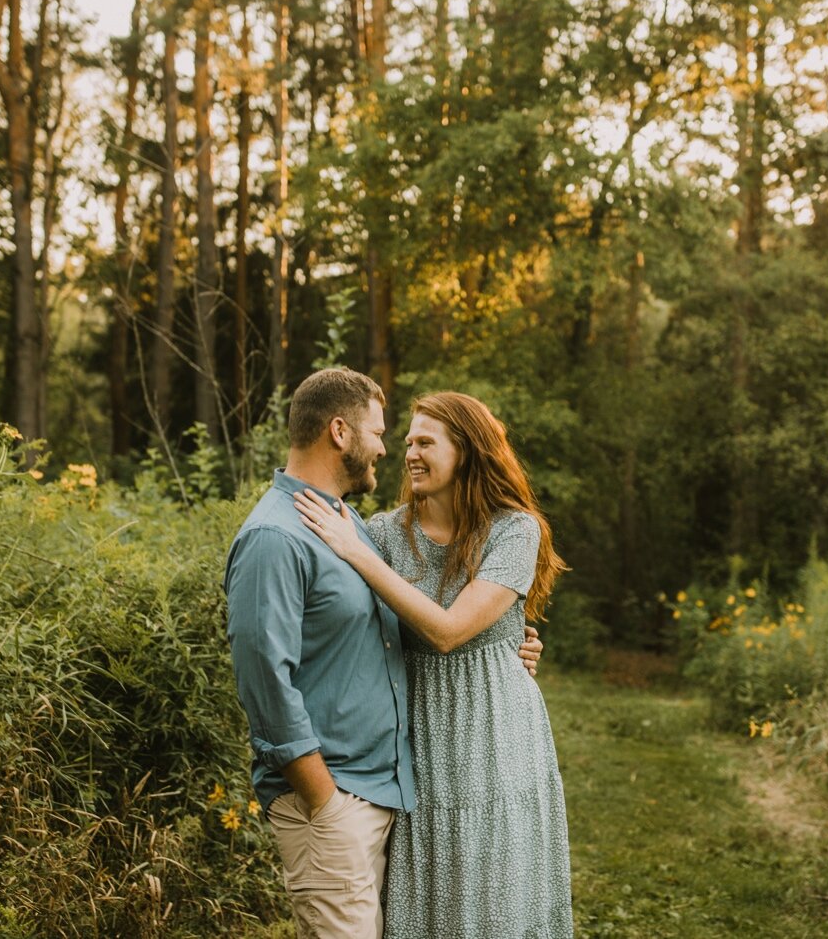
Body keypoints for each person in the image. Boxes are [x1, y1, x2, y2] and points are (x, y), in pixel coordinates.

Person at [223, 368, 542, 939]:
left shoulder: (354, 531)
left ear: (467, 453)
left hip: (403, 779)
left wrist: (504, 650)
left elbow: (407, 629)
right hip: (345, 794)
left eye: (422, 441)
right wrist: (324, 801)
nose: (393, 450)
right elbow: (265, 677)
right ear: (341, 432)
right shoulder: (327, 532)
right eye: (387, 434)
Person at [293, 390, 573, 939]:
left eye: (426, 442)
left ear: (466, 450)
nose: (410, 454)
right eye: (406, 443)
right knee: (431, 892)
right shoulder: (380, 534)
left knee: (499, 891)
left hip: (498, 733)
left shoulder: (515, 530)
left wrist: (355, 553)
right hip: (418, 734)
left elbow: (448, 631)